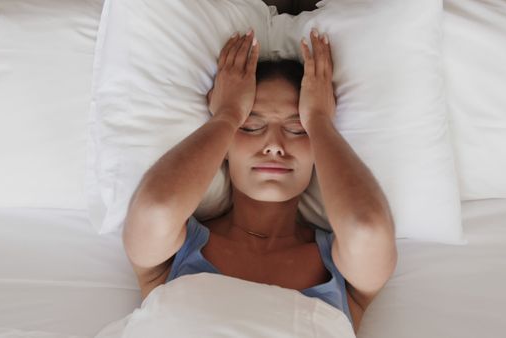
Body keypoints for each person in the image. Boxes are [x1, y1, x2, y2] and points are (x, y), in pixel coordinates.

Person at [123, 27, 397, 335]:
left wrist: (320, 121)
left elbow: (366, 226)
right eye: (251, 126)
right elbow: (156, 207)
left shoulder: (343, 268)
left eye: (297, 130)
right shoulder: (174, 252)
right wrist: (226, 115)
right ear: (222, 148)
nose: (274, 145)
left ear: (319, 150)